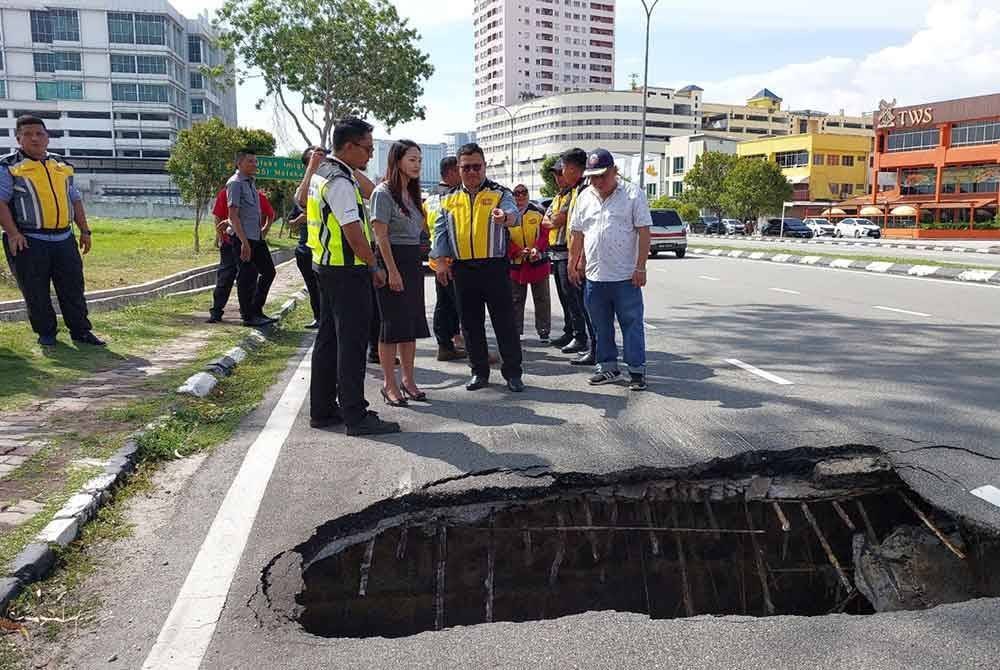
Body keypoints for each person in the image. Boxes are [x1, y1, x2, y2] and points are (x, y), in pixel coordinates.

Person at [306, 116, 400, 436]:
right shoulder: (341, 182)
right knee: (352, 344)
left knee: (328, 340)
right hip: (347, 272)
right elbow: (354, 235)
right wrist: (374, 265)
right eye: (367, 148)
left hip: (325, 267)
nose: (370, 155)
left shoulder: (323, 173)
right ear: (348, 146)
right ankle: (356, 415)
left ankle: (322, 409)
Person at [0, 115, 104, 347]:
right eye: (28, 134)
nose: (35, 138)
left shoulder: (61, 165)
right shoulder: (8, 166)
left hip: (64, 237)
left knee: (73, 287)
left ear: (48, 137)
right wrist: (13, 233)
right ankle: (47, 334)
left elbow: (74, 199)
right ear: (18, 138)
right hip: (28, 239)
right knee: (35, 289)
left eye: (40, 134)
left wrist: (85, 231)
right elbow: (1, 202)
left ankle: (81, 331)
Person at [430, 143, 524, 393]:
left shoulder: (499, 193)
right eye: (466, 167)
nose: (471, 171)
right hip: (462, 269)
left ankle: (513, 373)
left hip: (494, 267)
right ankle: (479, 372)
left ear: (484, 166)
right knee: (470, 324)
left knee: (504, 322)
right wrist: (440, 261)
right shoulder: (448, 198)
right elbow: (440, 231)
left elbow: (515, 215)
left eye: (476, 166)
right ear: (458, 169)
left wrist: (505, 218)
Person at [569, 149, 652, 391]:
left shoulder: (633, 194)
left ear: (615, 171)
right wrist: (574, 263)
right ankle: (607, 368)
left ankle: (636, 371)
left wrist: (641, 267)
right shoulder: (584, 197)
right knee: (600, 325)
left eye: (602, 175)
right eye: (593, 176)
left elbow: (644, 232)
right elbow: (577, 233)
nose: (598, 181)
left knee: (631, 323)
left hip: (625, 276)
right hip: (595, 277)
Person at [371, 140, 431, 406]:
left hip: (412, 263)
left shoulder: (413, 194)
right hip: (391, 261)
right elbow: (380, 236)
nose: (417, 164)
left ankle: (408, 380)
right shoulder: (382, 192)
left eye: (419, 160)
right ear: (397, 162)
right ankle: (389, 384)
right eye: (411, 159)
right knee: (391, 327)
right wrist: (392, 271)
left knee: (410, 326)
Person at [207, 183, 275, 324]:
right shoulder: (225, 193)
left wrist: (263, 232)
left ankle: (251, 311)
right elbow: (219, 216)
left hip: (250, 241)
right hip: (230, 241)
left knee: (249, 276)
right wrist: (220, 237)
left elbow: (270, 214)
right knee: (226, 276)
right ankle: (217, 311)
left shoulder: (255, 196)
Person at [226, 148, 277, 327]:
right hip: (242, 238)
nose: (255, 164)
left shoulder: (250, 182)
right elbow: (233, 216)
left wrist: (261, 232)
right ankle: (248, 316)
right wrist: (244, 243)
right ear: (239, 163)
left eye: (256, 161)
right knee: (246, 277)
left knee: (269, 271)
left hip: (256, 237)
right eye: (250, 161)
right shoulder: (235, 183)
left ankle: (256, 309)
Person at [426, 156, 466, 362]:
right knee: (460, 305)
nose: (464, 174)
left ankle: (447, 344)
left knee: (445, 304)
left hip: (437, 260)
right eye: (461, 170)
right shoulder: (451, 195)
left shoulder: (431, 196)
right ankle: (456, 344)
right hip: (451, 258)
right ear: (451, 172)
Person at [507, 184, 550, 343]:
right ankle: (515, 331)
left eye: (523, 192)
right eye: (516, 193)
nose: (520, 196)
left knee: (542, 299)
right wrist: (516, 251)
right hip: (517, 264)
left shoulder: (538, 211)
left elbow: (546, 233)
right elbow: (504, 238)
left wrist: (537, 249)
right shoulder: (508, 214)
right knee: (515, 300)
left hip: (538, 262)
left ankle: (544, 332)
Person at [287, 146, 323, 329]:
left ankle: (328, 319)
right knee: (313, 286)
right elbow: (292, 222)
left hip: (326, 250)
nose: (317, 162)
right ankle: (318, 317)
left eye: (320, 158)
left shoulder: (334, 184)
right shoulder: (301, 191)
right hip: (305, 248)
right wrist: (299, 220)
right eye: (312, 160)